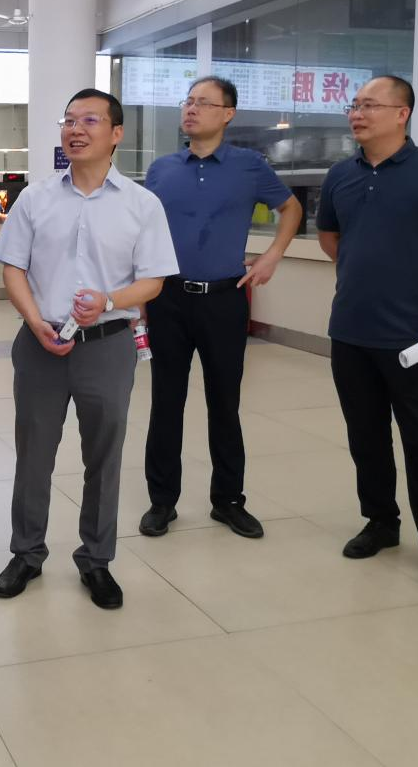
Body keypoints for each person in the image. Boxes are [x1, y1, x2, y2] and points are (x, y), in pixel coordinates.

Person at [0, 88, 178, 609]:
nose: (75, 129)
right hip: (40, 343)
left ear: (116, 134)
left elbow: (154, 280)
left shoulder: (142, 204)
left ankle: (96, 559)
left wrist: (110, 301)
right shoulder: (35, 199)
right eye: (69, 120)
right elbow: (13, 268)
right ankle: (26, 552)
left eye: (89, 120)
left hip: (107, 346)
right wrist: (35, 321)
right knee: (33, 454)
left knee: (104, 456)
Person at [317, 75, 418, 599]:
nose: (357, 114)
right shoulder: (341, 174)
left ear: (402, 113)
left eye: (370, 105)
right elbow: (330, 236)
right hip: (350, 330)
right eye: (354, 105)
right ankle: (381, 521)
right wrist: (366, 269)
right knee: (365, 436)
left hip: (411, 335)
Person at [139, 76, 303, 540]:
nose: (191, 109)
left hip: (225, 300)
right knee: (166, 402)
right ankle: (162, 502)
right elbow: (143, 232)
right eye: (188, 102)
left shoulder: (249, 166)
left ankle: (228, 501)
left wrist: (272, 256)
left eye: (204, 103)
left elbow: (291, 209)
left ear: (228, 114)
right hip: (168, 299)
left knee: (225, 404)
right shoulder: (162, 170)